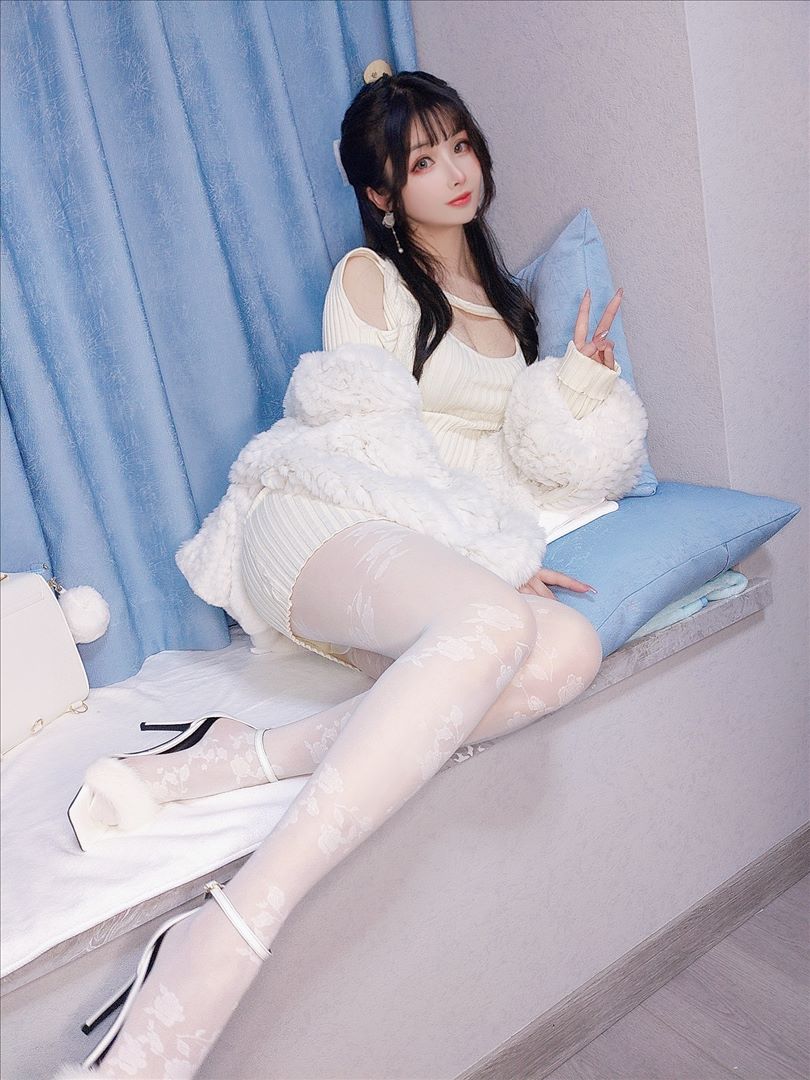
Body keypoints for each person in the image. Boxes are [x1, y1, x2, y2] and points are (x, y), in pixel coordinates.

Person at [56, 69, 644, 1078]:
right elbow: (373, 443)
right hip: (321, 515)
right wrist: (491, 561)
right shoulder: (370, 279)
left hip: (421, 547)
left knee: (569, 650)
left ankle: (236, 757)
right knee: (498, 624)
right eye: (422, 161)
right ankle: (220, 939)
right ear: (380, 193)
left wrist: (579, 393)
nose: (455, 171)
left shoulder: (504, 306)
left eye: (460, 144)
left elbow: (512, 470)